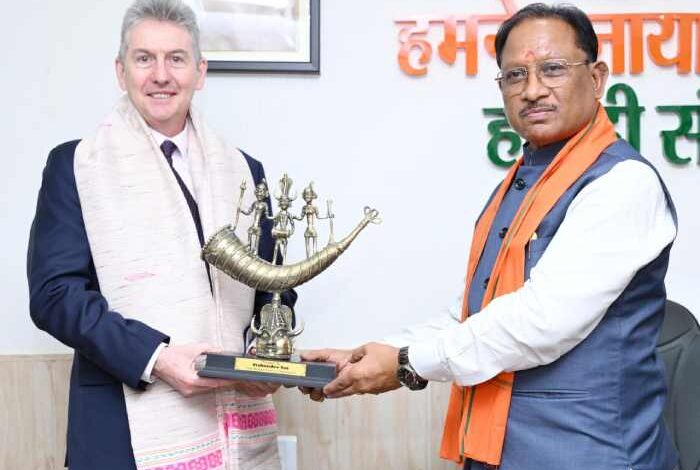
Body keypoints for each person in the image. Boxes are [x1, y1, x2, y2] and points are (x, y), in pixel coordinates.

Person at [303, 4, 679, 470]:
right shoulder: (523, 182)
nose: (533, 89)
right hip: (505, 453)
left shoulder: (622, 183)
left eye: (553, 69)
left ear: (597, 78)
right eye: (515, 75)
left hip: (589, 453)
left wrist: (403, 362)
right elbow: (475, 313)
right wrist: (368, 355)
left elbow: (540, 322)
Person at [27, 1, 294, 468]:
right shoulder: (76, 166)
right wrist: (156, 357)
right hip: (120, 429)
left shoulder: (245, 171)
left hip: (234, 423)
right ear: (121, 71)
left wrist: (262, 356)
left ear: (200, 72)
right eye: (144, 58)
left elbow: (275, 285)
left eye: (176, 58)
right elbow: (55, 296)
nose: (161, 75)